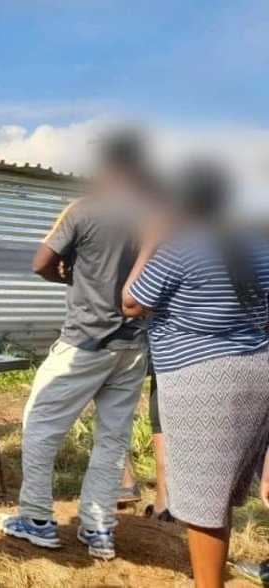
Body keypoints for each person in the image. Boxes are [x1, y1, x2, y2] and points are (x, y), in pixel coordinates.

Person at [0, 133, 152, 561]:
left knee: (41, 422)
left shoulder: (84, 211)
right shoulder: (153, 217)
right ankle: (99, 529)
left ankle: (37, 519)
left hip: (85, 339)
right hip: (132, 345)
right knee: (113, 438)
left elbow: (40, 262)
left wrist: (71, 278)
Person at [122, 161, 269, 588]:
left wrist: (150, 242)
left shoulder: (182, 247)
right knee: (233, 488)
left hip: (202, 381)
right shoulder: (258, 244)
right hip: (257, 370)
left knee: (206, 500)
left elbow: (131, 302)